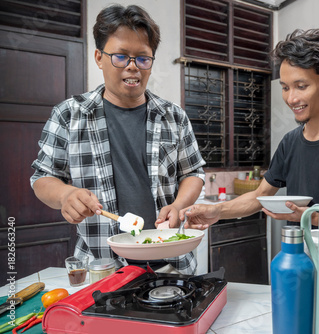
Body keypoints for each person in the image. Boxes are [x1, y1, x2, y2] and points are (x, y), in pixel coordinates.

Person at [30, 4, 205, 273]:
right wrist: (66, 194)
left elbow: (193, 173)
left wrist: (179, 205)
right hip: (101, 268)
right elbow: (42, 178)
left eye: (143, 58)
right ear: (99, 57)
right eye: (121, 57)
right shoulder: (69, 114)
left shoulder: (174, 116)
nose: (133, 67)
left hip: (172, 265)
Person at [180, 28, 319, 231]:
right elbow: (260, 196)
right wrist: (216, 211)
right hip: (300, 262)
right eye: (286, 88)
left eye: (301, 86)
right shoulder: (290, 143)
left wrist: (312, 217)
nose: (291, 98)